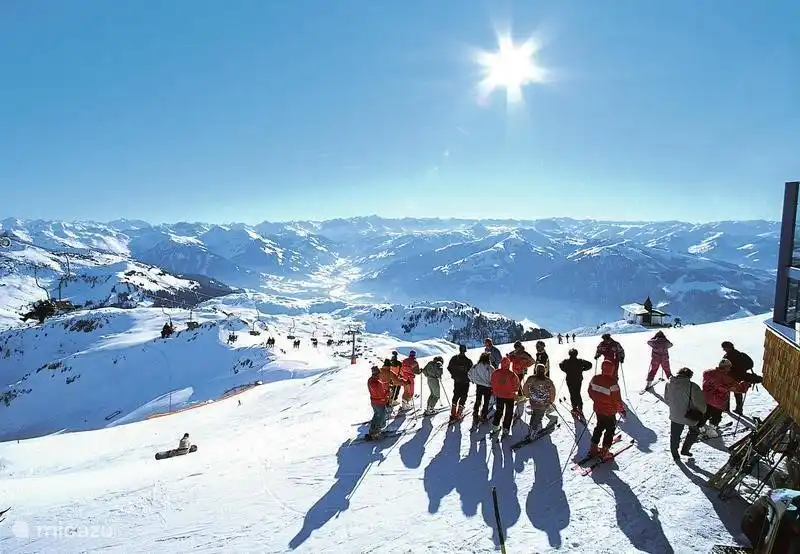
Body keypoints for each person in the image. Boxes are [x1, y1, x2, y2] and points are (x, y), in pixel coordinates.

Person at [664, 367, 706, 460]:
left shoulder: (669, 384)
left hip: (675, 414)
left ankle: (675, 455)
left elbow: (667, 399)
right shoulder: (693, 386)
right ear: (689, 376)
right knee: (694, 431)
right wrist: (701, 413)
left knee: (675, 435)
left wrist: (675, 407)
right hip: (690, 415)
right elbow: (700, 404)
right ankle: (685, 449)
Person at [587, 360, 623, 460]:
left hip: (598, 409)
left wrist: (597, 400)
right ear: (611, 370)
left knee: (599, 427)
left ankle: (593, 448)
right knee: (609, 430)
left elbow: (590, 391)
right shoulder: (613, 383)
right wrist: (620, 409)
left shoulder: (595, 378)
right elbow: (617, 400)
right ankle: (604, 452)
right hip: (609, 412)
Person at [699, 359, 740, 438]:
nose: (730, 369)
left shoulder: (707, 373)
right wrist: (745, 385)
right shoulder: (726, 378)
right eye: (729, 367)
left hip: (706, 398)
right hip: (718, 400)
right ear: (726, 367)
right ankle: (711, 430)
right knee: (716, 415)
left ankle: (700, 427)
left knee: (706, 413)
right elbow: (738, 388)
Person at [721, 341, 761, 415]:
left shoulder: (727, 357)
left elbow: (723, 368)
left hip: (730, 377)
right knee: (738, 392)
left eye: (724, 348)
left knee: (726, 392)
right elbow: (750, 364)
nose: (724, 349)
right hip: (740, 377)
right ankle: (739, 409)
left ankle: (726, 408)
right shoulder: (741, 354)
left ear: (728, 347)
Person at [522, 363, 556, 439]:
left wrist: (527, 395)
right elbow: (552, 391)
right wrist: (551, 400)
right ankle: (533, 433)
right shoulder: (548, 381)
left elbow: (525, 387)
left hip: (533, 401)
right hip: (543, 403)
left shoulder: (531, 378)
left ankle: (531, 428)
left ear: (536, 370)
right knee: (538, 417)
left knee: (534, 414)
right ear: (544, 371)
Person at [490, 356, 520, 440]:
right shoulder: (512, 374)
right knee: (509, 412)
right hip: (509, 396)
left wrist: (495, 391)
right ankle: (506, 429)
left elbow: (492, 383)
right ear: (509, 364)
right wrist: (514, 391)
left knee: (499, 411)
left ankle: (495, 427)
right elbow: (516, 386)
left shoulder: (495, 372)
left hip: (499, 395)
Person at [559, 348, 593, 420]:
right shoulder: (580, 361)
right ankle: (580, 407)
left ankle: (574, 408)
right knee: (577, 393)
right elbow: (590, 365)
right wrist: (583, 369)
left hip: (570, 380)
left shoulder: (566, 361)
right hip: (578, 379)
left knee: (572, 393)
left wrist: (566, 370)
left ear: (569, 354)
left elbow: (560, 365)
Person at [447, 345, 473, 421]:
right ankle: (459, 414)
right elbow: (471, 371)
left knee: (456, 394)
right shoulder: (468, 361)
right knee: (463, 396)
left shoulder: (454, 359)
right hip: (465, 381)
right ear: (465, 351)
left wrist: (454, 375)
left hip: (457, 380)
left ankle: (453, 413)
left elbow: (449, 368)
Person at [468, 351, 494, 425]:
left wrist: (473, 380)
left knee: (478, 400)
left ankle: (475, 414)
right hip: (487, 387)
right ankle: (483, 415)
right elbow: (493, 378)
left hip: (479, 386)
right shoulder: (490, 367)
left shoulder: (475, 366)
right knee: (486, 402)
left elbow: (469, 374)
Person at [367, 365, 390, 440]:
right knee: (382, 416)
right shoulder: (378, 383)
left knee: (376, 415)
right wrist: (388, 392)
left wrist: (385, 384)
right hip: (380, 402)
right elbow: (382, 394)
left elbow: (377, 389)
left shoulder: (370, 380)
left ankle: (372, 431)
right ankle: (376, 433)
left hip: (373, 401)